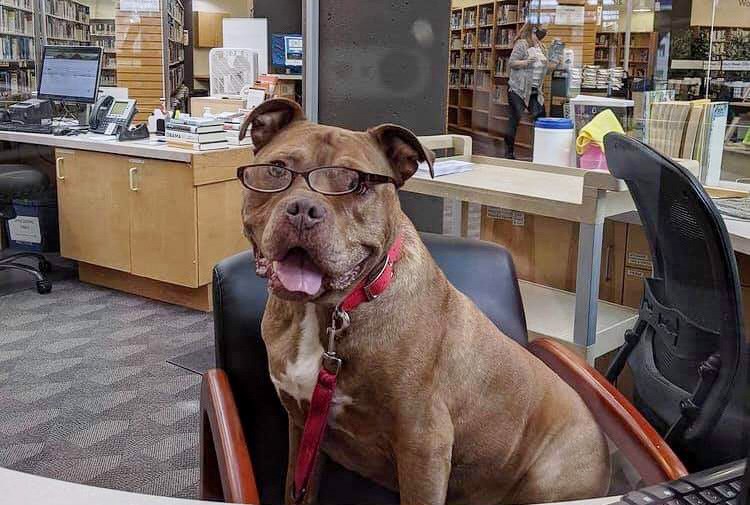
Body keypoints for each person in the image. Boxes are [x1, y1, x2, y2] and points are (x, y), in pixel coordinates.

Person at [505, 23, 558, 159]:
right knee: (514, 120)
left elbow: (546, 71)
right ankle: (509, 153)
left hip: (535, 91)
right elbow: (511, 62)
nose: (546, 30)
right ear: (535, 29)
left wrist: (555, 60)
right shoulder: (522, 44)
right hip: (519, 89)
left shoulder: (543, 47)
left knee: (541, 120)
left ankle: (541, 154)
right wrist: (526, 62)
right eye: (544, 27)